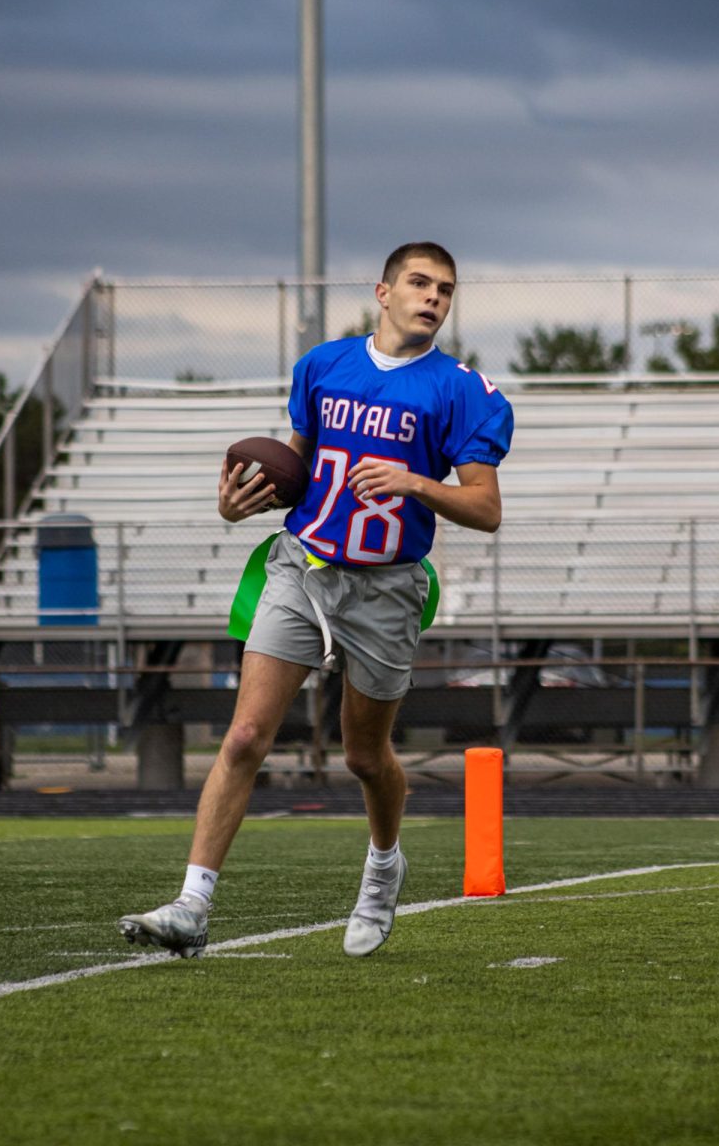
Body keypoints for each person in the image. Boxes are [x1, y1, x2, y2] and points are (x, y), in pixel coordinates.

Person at [119, 241, 514, 960]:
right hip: (303, 568)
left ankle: (383, 865)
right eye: (420, 283)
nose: (433, 297)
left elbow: (486, 510)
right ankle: (193, 905)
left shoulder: (460, 390)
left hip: (387, 586)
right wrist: (240, 504)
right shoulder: (324, 366)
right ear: (383, 291)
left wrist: (416, 483)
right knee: (244, 738)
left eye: (446, 290)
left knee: (364, 757)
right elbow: (292, 471)